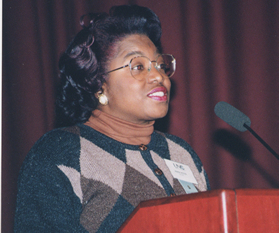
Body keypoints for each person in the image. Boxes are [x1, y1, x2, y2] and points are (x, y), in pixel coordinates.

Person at [14, 5, 210, 233]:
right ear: (99, 84)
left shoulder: (182, 154)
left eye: (160, 65)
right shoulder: (60, 153)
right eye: (138, 66)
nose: (159, 75)